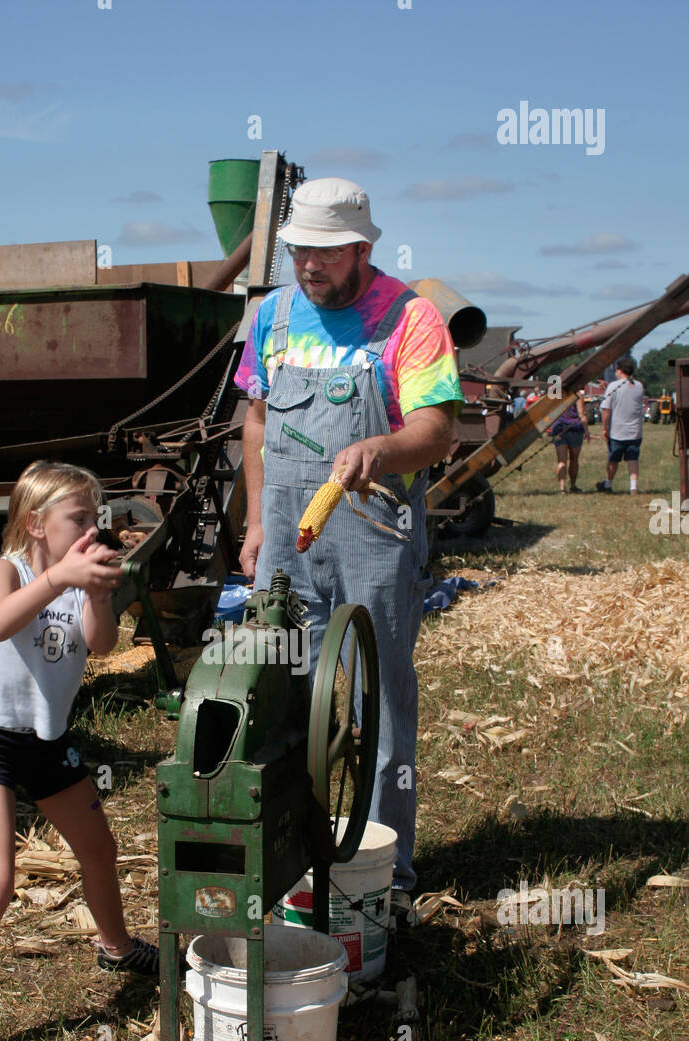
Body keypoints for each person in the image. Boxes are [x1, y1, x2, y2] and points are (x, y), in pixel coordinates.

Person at [235, 177, 463, 915]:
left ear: (363, 247)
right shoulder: (271, 314)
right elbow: (256, 423)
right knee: (276, 687)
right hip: (287, 538)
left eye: (327, 253)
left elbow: (438, 431)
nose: (310, 265)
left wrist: (384, 448)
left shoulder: (409, 319)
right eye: (300, 250)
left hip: (374, 532)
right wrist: (254, 525)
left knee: (380, 695)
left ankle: (386, 870)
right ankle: (289, 854)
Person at [0, 460, 161, 1041]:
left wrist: (93, 592)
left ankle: (115, 948)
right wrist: (60, 576)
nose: (95, 529)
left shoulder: (77, 579)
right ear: (37, 523)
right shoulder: (4, 570)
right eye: (79, 518)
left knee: (99, 850)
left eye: (97, 518)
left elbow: (104, 644)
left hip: (48, 742)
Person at [596, 356, 645, 494]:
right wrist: (608, 388)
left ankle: (607, 484)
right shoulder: (639, 386)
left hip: (617, 431)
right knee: (633, 459)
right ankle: (633, 487)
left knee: (613, 460)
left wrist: (604, 428)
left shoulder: (613, 386)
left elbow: (606, 410)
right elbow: (626, 395)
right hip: (635, 431)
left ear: (620, 370)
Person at [550, 390, 589, 493]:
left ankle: (562, 488)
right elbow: (582, 413)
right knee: (574, 459)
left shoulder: (555, 394)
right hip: (575, 429)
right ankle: (573, 485)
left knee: (561, 461)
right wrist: (586, 431)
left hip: (558, 429)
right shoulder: (576, 393)